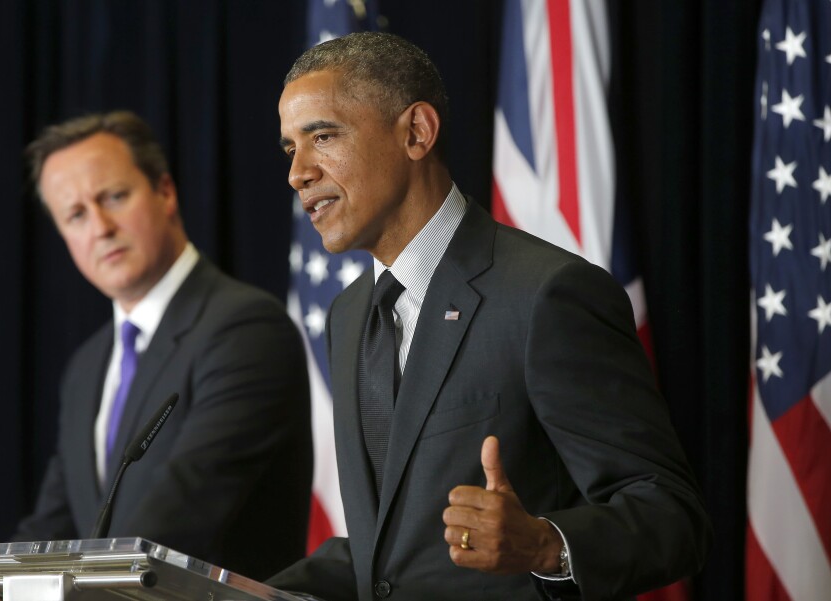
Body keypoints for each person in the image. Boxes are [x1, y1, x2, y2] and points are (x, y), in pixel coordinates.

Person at [268, 32, 712, 601]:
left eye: (322, 137)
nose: (298, 173)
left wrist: (546, 544)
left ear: (416, 132)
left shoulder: (546, 295)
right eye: (289, 149)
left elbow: (673, 517)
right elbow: (389, 555)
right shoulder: (349, 315)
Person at [15, 111, 312, 581]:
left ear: (165, 192)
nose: (100, 227)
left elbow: (181, 515)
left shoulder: (246, 330)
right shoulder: (87, 367)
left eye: (113, 197)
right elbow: (55, 522)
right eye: (75, 215)